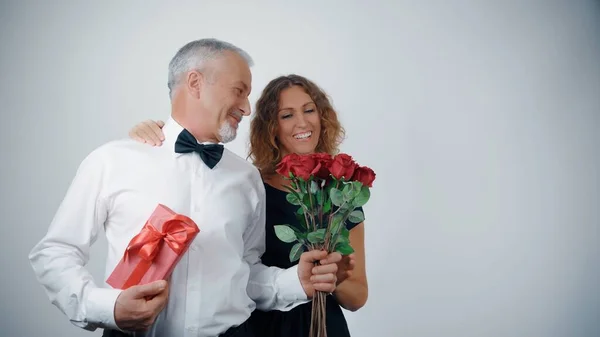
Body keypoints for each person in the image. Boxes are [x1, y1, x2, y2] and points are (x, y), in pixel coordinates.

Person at [29, 39, 343, 337]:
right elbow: (56, 251)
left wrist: (294, 282)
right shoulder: (112, 160)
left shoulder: (247, 178)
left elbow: (245, 272)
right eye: (239, 91)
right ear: (195, 83)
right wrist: (105, 307)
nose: (247, 108)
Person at [128, 74, 369, 337]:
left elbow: (357, 298)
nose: (302, 122)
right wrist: (157, 132)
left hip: (323, 328)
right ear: (271, 127)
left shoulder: (342, 198)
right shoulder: (247, 185)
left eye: (309, 110)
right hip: (258, 327)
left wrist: (333, 276)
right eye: (286, 115)